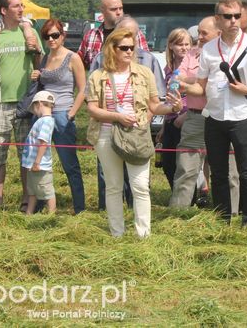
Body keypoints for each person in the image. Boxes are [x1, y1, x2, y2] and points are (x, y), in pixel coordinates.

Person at [182, 0, 247, 226]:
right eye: (228, 16)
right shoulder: (210, 48)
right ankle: (223, 220)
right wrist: (184, 87)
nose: (233, 21)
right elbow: (200, 86)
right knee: (219, 173)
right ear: (218, 20)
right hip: (215, 116)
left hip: (243, 114)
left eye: (236, 16)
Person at [86, 28, 181, 237]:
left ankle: (143, 235)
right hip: (106, 134)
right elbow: (92, 108)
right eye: (124, 48)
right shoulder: (98, 76)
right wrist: (117, 117)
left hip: (136, 135)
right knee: (113, 186)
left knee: (140, 186)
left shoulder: (144, 73)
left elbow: (155, 107)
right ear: (112, 49)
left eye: (132, 48)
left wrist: (173, 108)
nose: (130, 52)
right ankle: (116, 233)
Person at [0, 0, 43, 213]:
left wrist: (36, 59)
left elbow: (39, 62)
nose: (21, 9)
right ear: (4, 10)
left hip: (25, 103)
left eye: (22, 5)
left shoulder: (30, 31)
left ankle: (27, 200)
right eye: (16, 6)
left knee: (26, 154)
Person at [31, 19, 86, 214]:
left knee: (69, 163)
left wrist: (71, 114)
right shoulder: (45, 58)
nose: (51, 39)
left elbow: (83, 90)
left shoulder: (73, 58)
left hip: (62, 114)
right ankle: (36, 204)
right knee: (37, 160)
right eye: (47, 36)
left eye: (55, 35)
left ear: (63, 36)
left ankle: (79, 207)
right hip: (42, 115)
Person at [170, 17, 222, 208]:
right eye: (198, 32)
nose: (198, 37)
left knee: (227, 170)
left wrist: (188, 82)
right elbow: (176, 79)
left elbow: (212, 83)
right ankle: (177, 213)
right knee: (186, 168)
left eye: (203, 33)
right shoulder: (191, 54)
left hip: (223, 117)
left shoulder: (226, 54)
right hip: (194, 117)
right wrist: (196, 81)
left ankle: (228, 215)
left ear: (219, 33)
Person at [77, 0, 148, 69]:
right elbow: (78, 64)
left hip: (128, 79)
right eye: (113, 9)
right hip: (100, 79)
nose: (119, 12)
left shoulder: (134, 33)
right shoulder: (91, 35)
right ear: (102, 10)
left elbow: (146, 60)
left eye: (121, 8)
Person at [159, 28, 192, 189]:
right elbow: (168, 98)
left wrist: (185, 116)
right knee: (167, 163)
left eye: (187, 44)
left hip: (186, 118)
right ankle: (176, 193)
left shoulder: (194, 66)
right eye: (179, 44)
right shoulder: (168, 68)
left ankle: (188, 199)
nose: (184, 48)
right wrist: (164, 126)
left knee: (185, 164)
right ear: (171, 46)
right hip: (171, 118)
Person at [22, 91, 57, 215]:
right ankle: (29, 213)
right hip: (32, 163)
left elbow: (43, 143)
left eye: (34, 108)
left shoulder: (46, 121)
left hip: (40, 165)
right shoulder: (41, 120)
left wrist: (37, 162)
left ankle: (52, 213)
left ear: (40, 104)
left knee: (46, 190)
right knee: (32, 191)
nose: (34, 112)